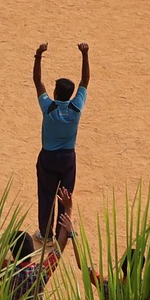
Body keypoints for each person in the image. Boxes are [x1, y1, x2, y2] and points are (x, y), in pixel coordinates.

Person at [30, 42, 89, 239]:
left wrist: (38, 56)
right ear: (71, 94)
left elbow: (38, 82)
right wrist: (85, 54)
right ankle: (64, 232)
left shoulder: (49, 107)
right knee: (65, 196)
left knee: (46, 196)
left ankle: (45, 235)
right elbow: (85, 80)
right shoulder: (76, 108)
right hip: (67, 158)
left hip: (48, 157)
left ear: (55, 94)